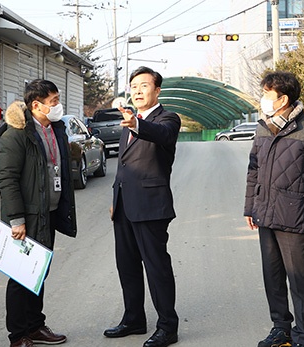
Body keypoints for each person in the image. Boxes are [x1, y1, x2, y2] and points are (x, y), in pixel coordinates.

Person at [244, 71, 304, 347]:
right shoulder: (262, 128)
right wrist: (250, 208)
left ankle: (303, 334)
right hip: (265, 213)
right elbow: (253, 170)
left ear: (283, 98)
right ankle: (280, 327)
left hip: (295, 215)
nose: (263, 100)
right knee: (272, 276)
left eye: (267, 95)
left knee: (298, 277)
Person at [103, 66, 181, 347]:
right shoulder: (129, 122)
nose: (137, 91)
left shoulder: (167, 118)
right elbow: (123, 166)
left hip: (151, 206)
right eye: (133, 86)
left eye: (144, 85)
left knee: (156, 267)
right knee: (127, 266)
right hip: (124, 205)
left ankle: (167, 327)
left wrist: (137, 124)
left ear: (157, 90)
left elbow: (162, 135)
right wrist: (115, 199)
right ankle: (133, 318)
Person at [0, 79, 77, 347]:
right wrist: (16, 220)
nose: (58, 106)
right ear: (36, 105)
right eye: (54, 101)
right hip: (27, 218)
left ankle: (35, 326)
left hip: (49, 213)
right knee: (21, 276)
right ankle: (18, 335)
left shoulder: (56, 129)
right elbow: (7, 179)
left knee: (39, 272)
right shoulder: (17, 135)